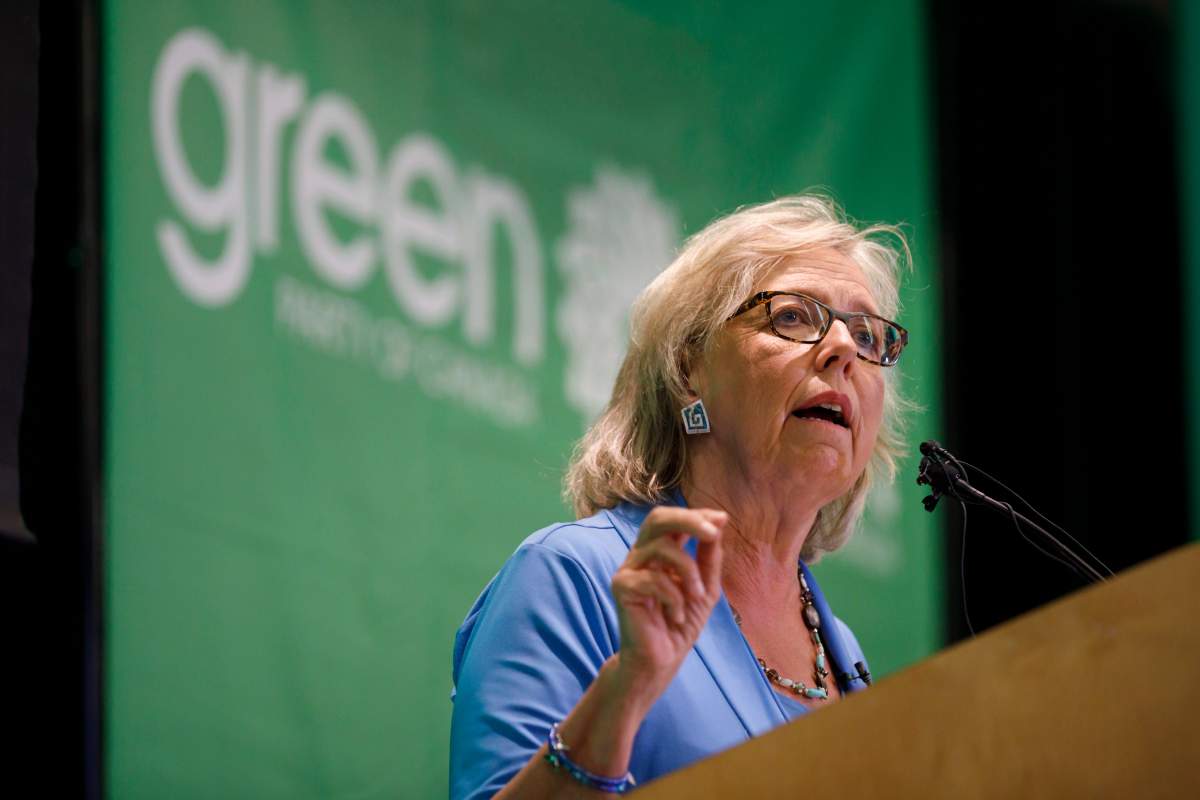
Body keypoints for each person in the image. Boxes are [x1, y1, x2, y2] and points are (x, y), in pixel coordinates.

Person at [450, 195, 911, 798]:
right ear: (689, 366)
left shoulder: (842, 650)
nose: (844, 349)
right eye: (794, 317)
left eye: (867, 334)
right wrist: (627, 690)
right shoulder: (573, 576)